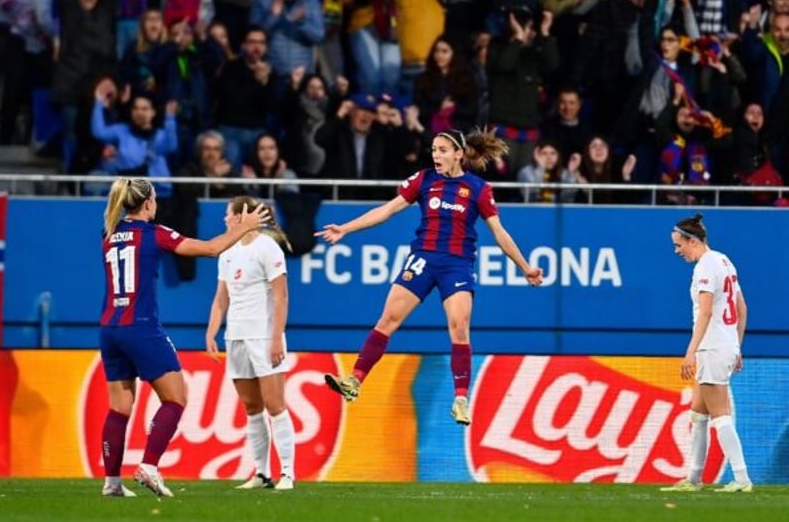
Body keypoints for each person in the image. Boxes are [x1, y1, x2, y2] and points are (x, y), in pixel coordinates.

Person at [317, 129, 544, 426]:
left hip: (457, 265)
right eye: (434, 150)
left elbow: (499, 232)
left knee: (459, 327)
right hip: (423, 259)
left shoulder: (478, 188)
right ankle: (354, 381)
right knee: (388, 320)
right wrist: (346, 228)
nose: (436, 155)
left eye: (442, 150)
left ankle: (461, 400)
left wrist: (525, 267)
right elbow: (387, 210)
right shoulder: (424, 179)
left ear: (458, 154)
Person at [99, 178, 268, 498]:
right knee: (176, 398)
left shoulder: (108, 234)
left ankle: (112, 483)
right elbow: (210, 248)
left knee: (119, 407)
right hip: (141, 326)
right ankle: (149, 466)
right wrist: (244, 227)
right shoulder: (153, 233)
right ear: (148, 204)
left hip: (110, 328)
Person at [205, 196, 296, 491]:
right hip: (237, 337)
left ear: (242, 216)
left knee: (275, 404)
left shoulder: (267, 248)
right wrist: (211, 332)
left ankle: (288, 474)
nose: (225, 220)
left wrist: (276, 337)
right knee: (251, 406)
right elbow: (222, 297)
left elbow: (281, 295)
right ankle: (261, 472)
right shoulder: (227, 252)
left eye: (228, 214)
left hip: (263, 336)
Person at [662, 213, 753, 493]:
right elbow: (742, 309)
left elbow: (706, 310)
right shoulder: (725, 261)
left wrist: (691, 351)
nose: (677, 251)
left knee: (720, 415)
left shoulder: (704, 267)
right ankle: (694, 478)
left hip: (711, 346)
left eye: (679, 245)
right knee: (698, 415)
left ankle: (741, 478)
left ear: (692, 241)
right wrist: (736, 346)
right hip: (722, 344)